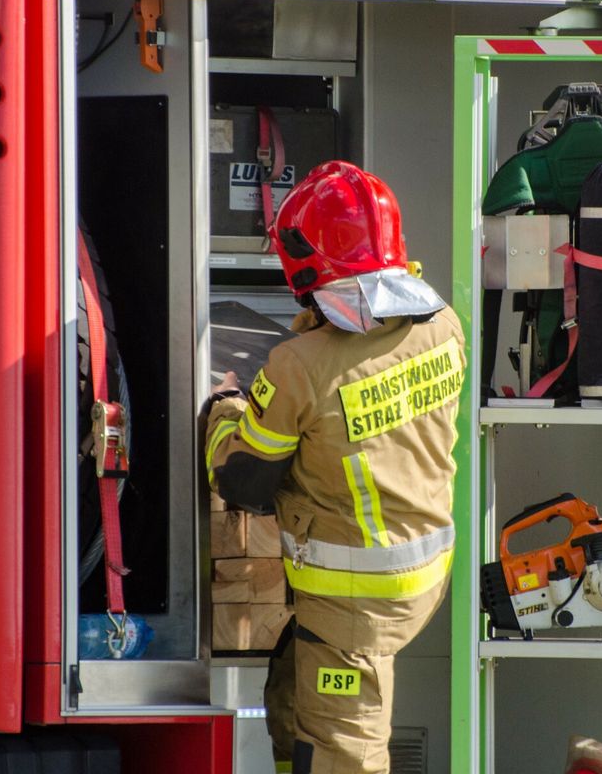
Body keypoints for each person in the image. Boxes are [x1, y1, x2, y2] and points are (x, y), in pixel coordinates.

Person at [204, 161, 466, 773]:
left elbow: (242, 480)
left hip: (355, 603)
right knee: (292, 704)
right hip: (419, 575)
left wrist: (226, 407)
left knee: (344, 757)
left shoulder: (301, 366)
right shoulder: (446, 326)